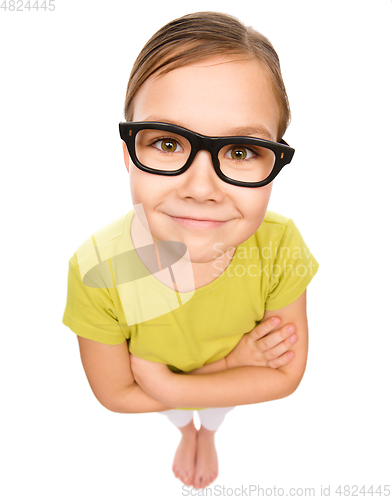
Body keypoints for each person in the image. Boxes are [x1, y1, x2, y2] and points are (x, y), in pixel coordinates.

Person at [62, 11, 319, 490]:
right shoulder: (99, 269)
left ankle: (208, 431)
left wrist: (171, 382)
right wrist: (232, 368)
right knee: (182, 413)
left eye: (240, 151)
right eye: (166, 142)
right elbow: (116, 394)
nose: (201, 187)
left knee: (217, 408)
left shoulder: (280, 246)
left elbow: (284, 375)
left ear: (276, 159)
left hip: (175, 380)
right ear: (128, 154)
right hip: (232, 369)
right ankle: (187, 430)